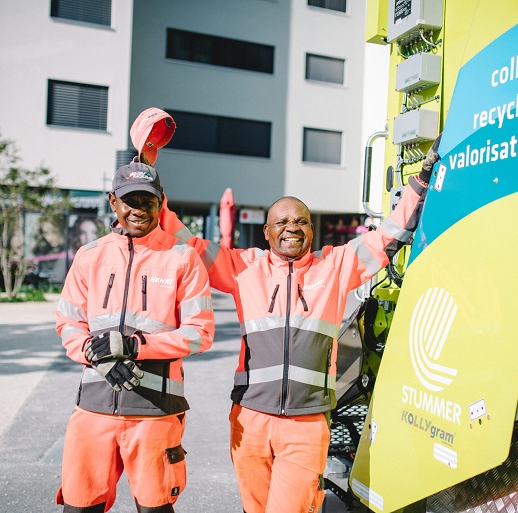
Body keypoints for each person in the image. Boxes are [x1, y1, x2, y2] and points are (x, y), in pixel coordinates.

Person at [140, 104, 442, 512]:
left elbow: (389, 234)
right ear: (266, 232)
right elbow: (184, 240)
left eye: (300, 221)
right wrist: (150, 183)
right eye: (281, 223)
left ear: (311, 229)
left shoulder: (335, 266)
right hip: (249, 420)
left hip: (307, 424)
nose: (291, 228)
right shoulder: (243, 267)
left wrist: (420, 181)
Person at [54, 161, 215, 512]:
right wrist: (94, 352)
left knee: (155, 508)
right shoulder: (89, 256)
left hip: (155, 413)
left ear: (161, 202)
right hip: (93, 409)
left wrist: (134, 346)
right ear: (113, 202)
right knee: (78, 507)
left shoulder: (183, 258)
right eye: (129, 201)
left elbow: (200, 333)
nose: (138, 209)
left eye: (147, 201)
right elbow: (68, 322)